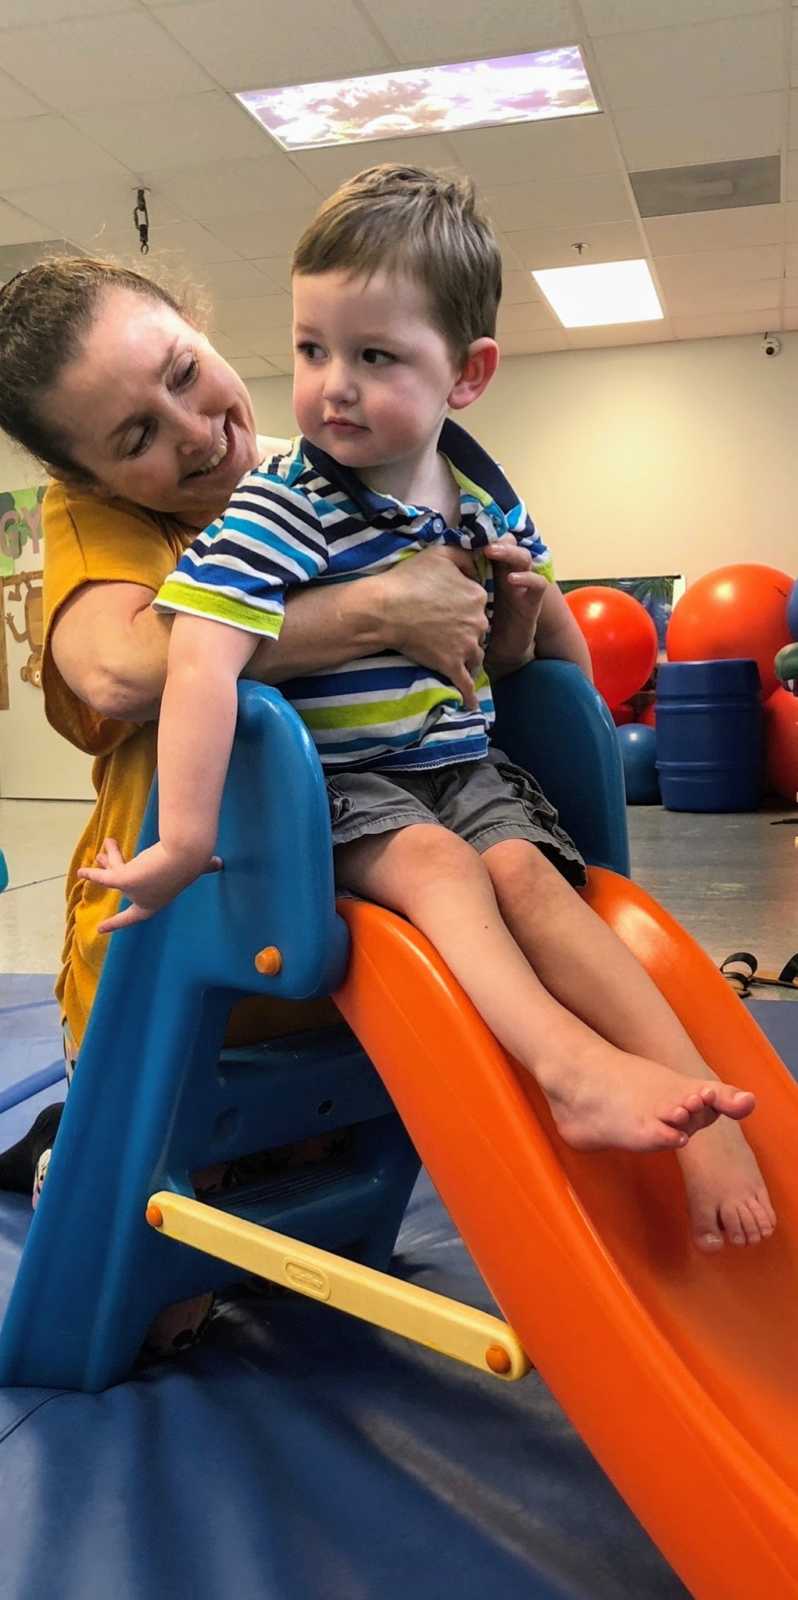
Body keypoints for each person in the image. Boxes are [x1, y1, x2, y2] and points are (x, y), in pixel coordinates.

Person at [79, 165, 774, 1254]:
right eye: (311, 350)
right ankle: (568, 1067)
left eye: (375, 356)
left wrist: (527, 614)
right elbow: (202, 661)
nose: (331, 387)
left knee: (536, 887)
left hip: (461, 772)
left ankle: (703, 1104)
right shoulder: (287, 502)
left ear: (469, 374)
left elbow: (543, 659)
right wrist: (189, 835)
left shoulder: (485, 495)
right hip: (337, 795)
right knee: (448, 868)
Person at [0, 254, 503, 1348]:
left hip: (340, 926)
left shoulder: (322, 465)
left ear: (202, 322)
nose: (189, 432)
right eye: (133, 437)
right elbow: (124, 672)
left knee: (307, 1224)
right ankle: (64, 1146)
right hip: (184, 950)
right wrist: (379, 608)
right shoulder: (106, 522)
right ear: (84, 474)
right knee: (164, 1296)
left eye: (185, 373)